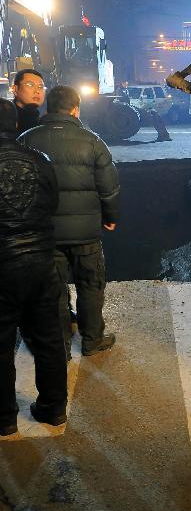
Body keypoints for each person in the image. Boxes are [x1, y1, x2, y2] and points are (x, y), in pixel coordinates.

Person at [20, 85, 120, 358]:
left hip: (46, 234)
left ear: (47, 108)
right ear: (76, 108)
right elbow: (109, 187)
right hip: (86, 233)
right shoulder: (92, 141)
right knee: (91, 285)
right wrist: (110, 217)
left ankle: (60, 345)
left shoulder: (27, 140)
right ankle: (92, 340)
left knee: (54, 290)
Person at [0, 99, 68, 434]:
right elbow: (51, 204)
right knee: (49, 338)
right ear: (14, 125)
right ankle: (53, 408)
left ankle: (4, 417)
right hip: (41, 261)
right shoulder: (39, 160)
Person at [11, 68, 46, 136]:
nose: (37, 91)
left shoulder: (44, 122)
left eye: (40, 86)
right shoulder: (5, 120)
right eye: (30, 85)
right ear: (15, 89)